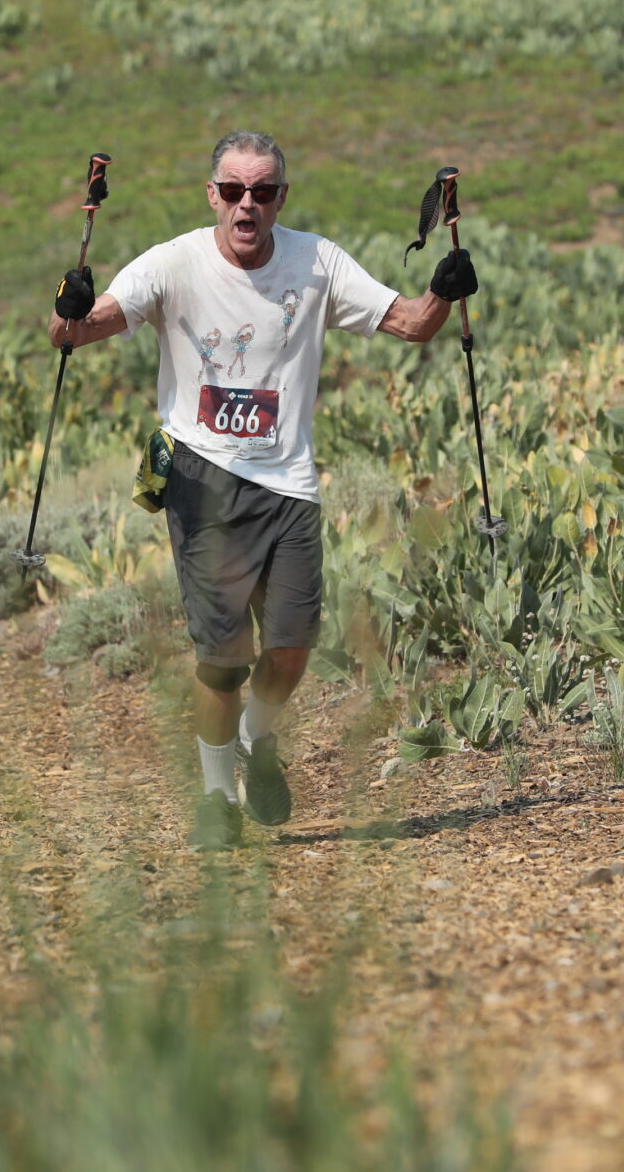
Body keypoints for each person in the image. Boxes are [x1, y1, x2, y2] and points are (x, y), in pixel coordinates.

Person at [48, 131, 476, 848]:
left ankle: (257, 734)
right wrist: (72, 303)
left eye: (265, 191)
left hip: (289, 483)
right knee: (223, 658)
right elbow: (71, 334)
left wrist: (443, 286)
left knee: (292, 646)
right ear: (213, 194)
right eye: (235, 190)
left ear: (282, 197)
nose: (249, 204)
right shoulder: (172, 263)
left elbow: (411, 324)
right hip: (200, 477)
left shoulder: (317, 263)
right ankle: (217, 800)